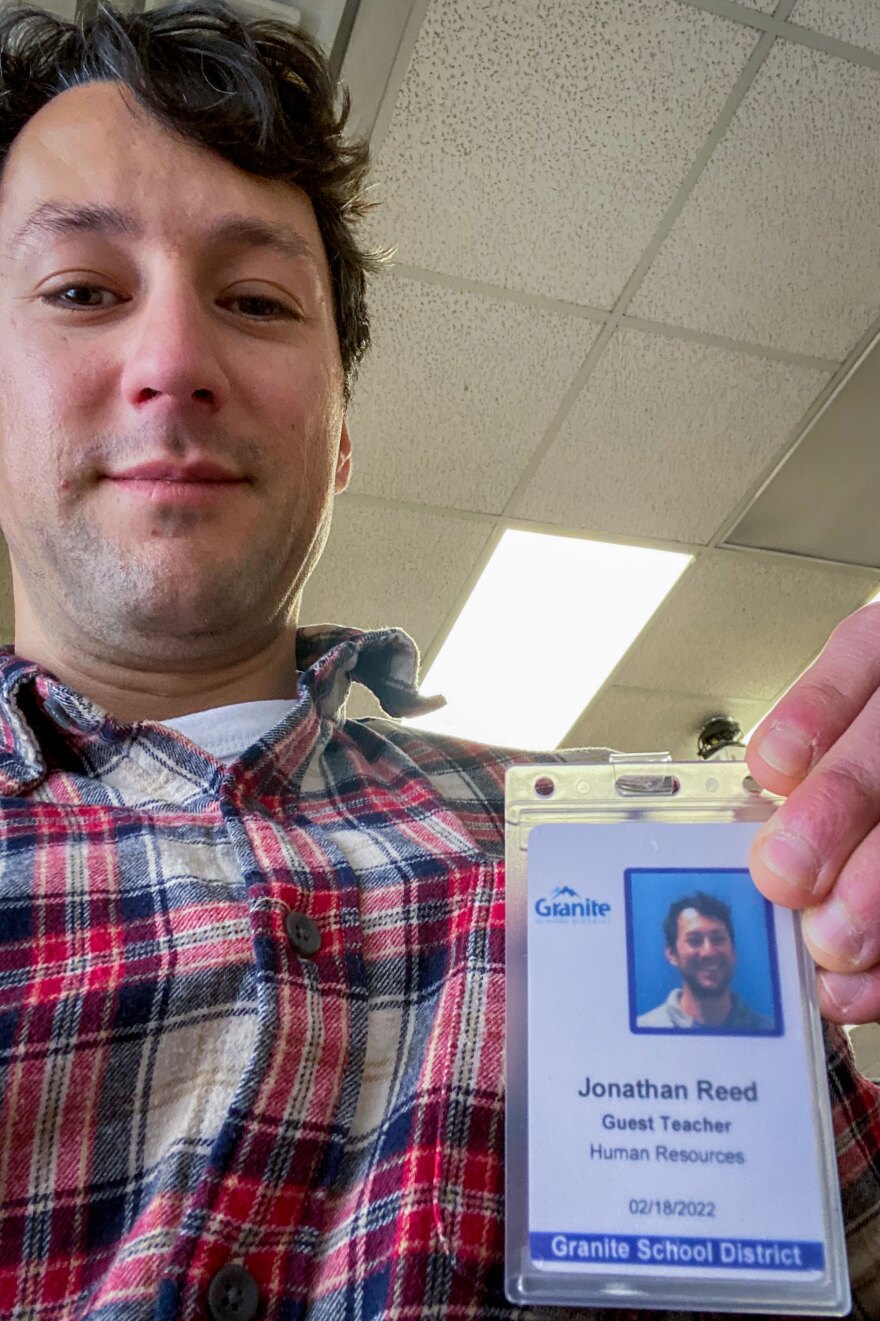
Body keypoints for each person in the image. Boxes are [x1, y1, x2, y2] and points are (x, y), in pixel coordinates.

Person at [0, 2, 878, 1317]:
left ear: (342, 438)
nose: (174, 360)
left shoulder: (637, 853)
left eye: (253, 301)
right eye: (81, 292)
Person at [637, 891, 775, 1032]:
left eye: (718, 939)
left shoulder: (769, 1032)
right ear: (672, 954)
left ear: (733, 950)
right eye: (694, 941)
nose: (709, 952)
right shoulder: (643, 1032)